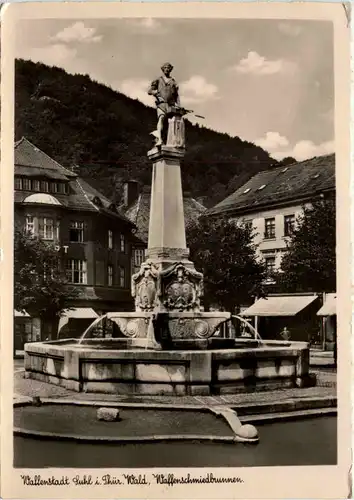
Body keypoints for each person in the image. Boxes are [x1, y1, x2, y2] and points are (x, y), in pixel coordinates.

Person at [148, 62, 181, 146]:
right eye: (165, 68)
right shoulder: (159, 80)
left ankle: (171, 141)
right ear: (163, 69)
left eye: (168, 68)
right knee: (161, 118)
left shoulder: (173, 82)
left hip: (171, 105)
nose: (167, 69)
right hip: (161, 104)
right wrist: (156, 93)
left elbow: (176, 95)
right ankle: (159, 138)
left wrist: (179, 106)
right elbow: (150, 91)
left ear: (170, 69)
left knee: (170, 123)